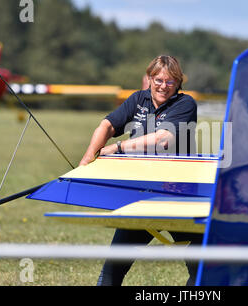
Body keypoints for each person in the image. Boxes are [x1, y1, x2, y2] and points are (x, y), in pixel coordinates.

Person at [79, 55, 202, 286]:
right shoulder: (138, 99)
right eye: (158, 80)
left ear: (178, 83)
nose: (163, 86)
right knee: (113, 268)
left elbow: (163, 138)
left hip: (180, 197)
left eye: (170, 81)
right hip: (143, 196)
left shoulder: (186, 104)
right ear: (149, 78)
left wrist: (117, 147)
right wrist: (88, 158)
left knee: (203, 269)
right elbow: (107, 125)